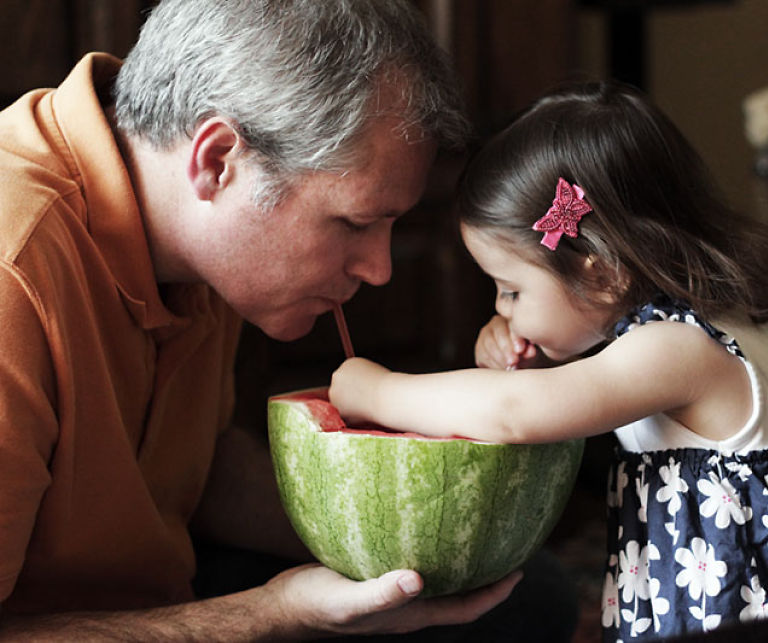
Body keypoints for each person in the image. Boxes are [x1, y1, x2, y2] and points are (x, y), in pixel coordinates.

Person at [0, 0, 580, 639]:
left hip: (161, 579)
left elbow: (188, 470)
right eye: (354, 223)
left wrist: (412, 517)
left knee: (523, 597)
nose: (380, 269)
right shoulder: (13, 267)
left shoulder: (190, 229)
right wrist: (272, 616)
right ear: (218, 160)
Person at [329, 81, 768, 641]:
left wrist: (377, 390)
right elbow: (565, 388)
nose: (500, 307)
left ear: (602, 271)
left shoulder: (680, 349)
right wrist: (520, 355)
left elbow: (515, 413)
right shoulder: (702, 315)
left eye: (511, 290)